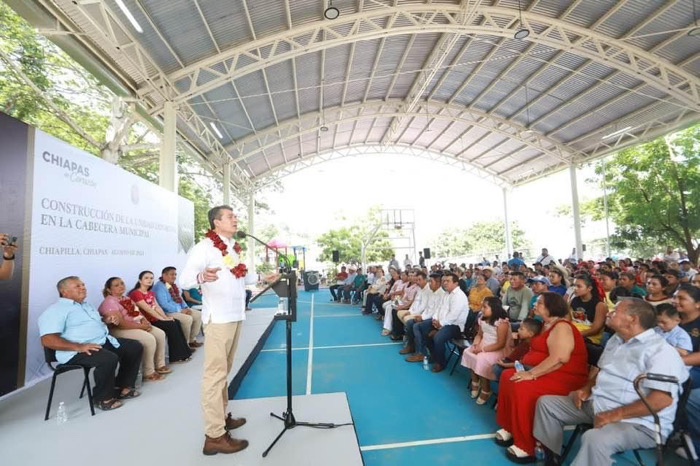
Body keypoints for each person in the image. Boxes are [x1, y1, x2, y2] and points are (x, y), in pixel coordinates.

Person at [533, 298, 688, 466]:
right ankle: (552, 459)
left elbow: (662, 400)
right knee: (547, 404)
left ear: (633, 319)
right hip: (599, 405)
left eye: (615, 312)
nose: (609, 313)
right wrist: (586, 388)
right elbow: (601, 372)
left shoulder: (661, 351)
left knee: (595, 438)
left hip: (637, 422)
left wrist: (614, 415)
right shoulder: (616, 340)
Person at [180, 205, 273, 456]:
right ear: (215, 223)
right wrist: (201, 277)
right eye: (230, 217)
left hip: (235, 316)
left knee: (224, 372)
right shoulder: (204, 247)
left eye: (235, 216)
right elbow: (184, 280)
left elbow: (240, 276)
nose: (235, 220)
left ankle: (221, 417)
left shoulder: (232, 248)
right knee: (214, 376)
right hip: (219, 318)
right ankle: (214, 436)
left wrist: (268, 277)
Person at [494, 292, 588, 462]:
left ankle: (528, 445)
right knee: (508, 376)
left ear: (551, 307)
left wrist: (531, 374)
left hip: (565, 378)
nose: (534, 305)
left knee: (522, 385)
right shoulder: (544, 324)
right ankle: (511, 428)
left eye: (539, 303)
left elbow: (560, 358)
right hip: (548, 372)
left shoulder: (562, 326)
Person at [39, 276, 143, 411]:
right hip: (75, 351)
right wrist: (79, 347)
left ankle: (121, 386)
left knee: (134, 347)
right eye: (77, 286)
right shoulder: (55, 310)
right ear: (64, 292)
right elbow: (47, 340)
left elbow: (95, 323)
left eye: (83, 284)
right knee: (108, 358)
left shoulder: (86, 305)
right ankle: (102, 398)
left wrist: (107, 320)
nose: (83, 287)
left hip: (101, 342)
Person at [99, 277, 170, 382]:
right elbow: (121, 324)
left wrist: (145, 322)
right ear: (109, 290)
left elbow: (138, 313)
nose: (121, 286)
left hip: (136, 325)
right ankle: (148, 372)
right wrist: (142, 327)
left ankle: (159, 364)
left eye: (122, 283)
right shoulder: (109, 302)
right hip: (119, 329)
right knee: (149, 338)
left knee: (160, 333)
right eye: (116, 285)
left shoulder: (126, 298)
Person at [407, 272, 468, 372]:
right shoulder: (446, 294)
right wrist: (435, 319)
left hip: (455, 326)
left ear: (456, 283)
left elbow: (453, 316)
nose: (445, 283)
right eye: (444, 281)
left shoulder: (459, 296)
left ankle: (440, 363)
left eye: (448, 281)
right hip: (441, 322)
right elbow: (439, 309)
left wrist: (440, 324)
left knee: (438, 337)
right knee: (423, 327)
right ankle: (432, 354)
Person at [129, 271, 192, 363]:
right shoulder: (136, 293)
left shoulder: (150, 292)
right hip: (148, 320)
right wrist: (162, 319)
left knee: (175, 322)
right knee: (171, 325)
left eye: (151, 278)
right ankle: (177, 356)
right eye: (146, 278)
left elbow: (157, 307)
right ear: (140, 280)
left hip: (156, 317)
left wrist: (165, 317)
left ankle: (184, 353)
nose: (149, 280)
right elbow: (148, 310)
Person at [461, 297, 512, 405]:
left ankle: (486, 389)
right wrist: (475, 344)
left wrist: (482, 349)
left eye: (485, 307)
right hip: (483, 344)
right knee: (468, 352)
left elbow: (500, 344)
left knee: (481, 359)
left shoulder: (502, 322)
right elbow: (479, 335)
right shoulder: (483, 318)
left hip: (497, 349)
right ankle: (475, 381)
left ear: (494, 308)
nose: (482, 309)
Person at [153, 267, 203, 349]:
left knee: (198, 314)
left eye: (175, 274)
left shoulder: (171, 285)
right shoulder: (159, 287)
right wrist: (180, 310)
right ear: (164, 275)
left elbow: (180, 299)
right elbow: (164, 304)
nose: (174, 276)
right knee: (187, 319)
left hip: (179, 309)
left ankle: (191, 340)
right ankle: (185, 346)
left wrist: (186, 308)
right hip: (167, 312)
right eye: (172, 274)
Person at [399, 273, 446, 357]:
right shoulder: (432, 293)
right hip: (427, 316)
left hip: (434, 319)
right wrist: (421, 316)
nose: (429, 284)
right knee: (410, 323)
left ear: (438, 283)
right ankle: (411, 346)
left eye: (431, 282)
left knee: (417, 326)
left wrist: (422, 317)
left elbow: (435, 312)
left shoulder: (442, 295)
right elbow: (427, 308)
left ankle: (420, 353)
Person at [570, 274, 608, 344]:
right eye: (574, 285)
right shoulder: (574, 300)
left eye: (579, 286)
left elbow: (595, 329)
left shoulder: (600, 305)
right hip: (574, 333)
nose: (575, 288)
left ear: (589, 288)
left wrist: (575, 335)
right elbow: (569, 319)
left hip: (590, 339)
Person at [382, 271, 417, 336]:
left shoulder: (417, 286)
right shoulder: (407, 284)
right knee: (389, 306)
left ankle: (389, 328)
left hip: (407, 304)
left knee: (391, 308)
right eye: (409, 276)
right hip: (401, 300)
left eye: (412, 276)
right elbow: (402, 293)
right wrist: (396, 298)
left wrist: (402, 305)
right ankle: (388, 327)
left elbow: (411, 300)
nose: (410, 277)